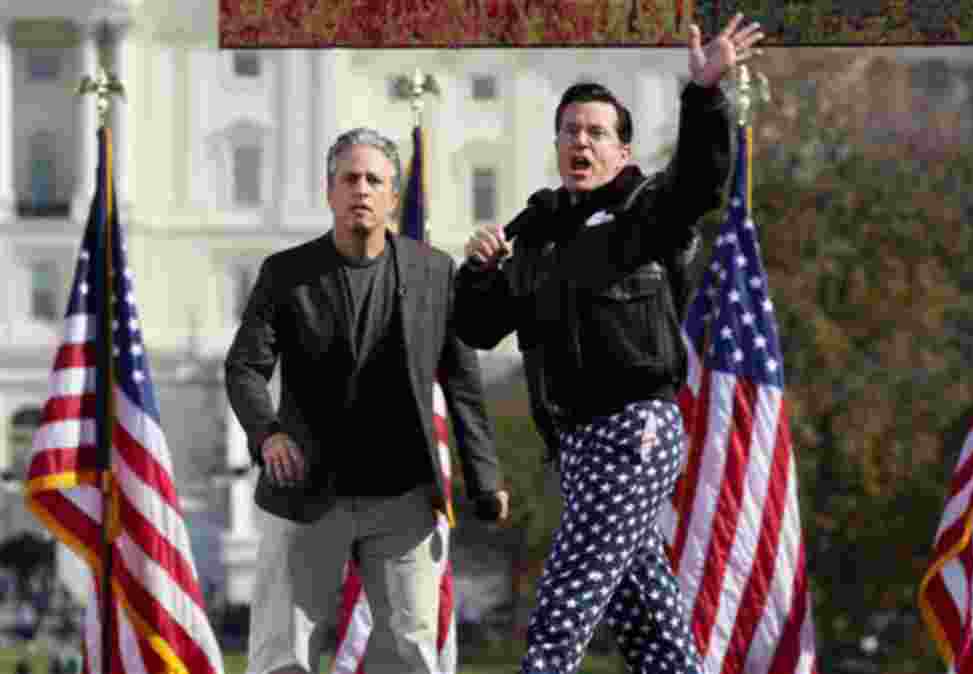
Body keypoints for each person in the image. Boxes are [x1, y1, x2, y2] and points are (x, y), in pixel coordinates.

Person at [453, 14, 764, 674]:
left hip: (635, 431)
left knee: (561, 611)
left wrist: (703, 95)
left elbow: (698, 185)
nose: (581, 143)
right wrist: (477, 271)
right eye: (570, 131)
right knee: (648, 623)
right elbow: (479, 327)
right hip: (576, 448)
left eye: (596, 133)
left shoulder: (641, 216)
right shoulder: (535, 234)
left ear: (622, 153)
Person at [225, 127, 511, 674]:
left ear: (393, 197)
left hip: (402, 492)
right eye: (349, 178)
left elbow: (463, 383)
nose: (361, 189)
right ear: (329, 191)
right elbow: (244, 367)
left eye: (374, 180)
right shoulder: (285, 274)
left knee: (412, 648)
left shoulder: (434, 272)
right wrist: (268, 433)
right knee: (282, 652)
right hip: (305, 490)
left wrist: (485, 478)